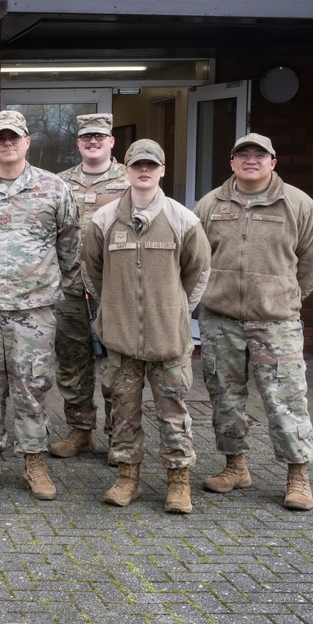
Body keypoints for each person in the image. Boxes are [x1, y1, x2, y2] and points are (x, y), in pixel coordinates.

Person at [194, 133, 313, 511]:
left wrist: (287, 295)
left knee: (285, 400)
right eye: (243, 155)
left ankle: (297, 476)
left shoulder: (298, 204)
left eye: (260, 155)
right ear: (232, 162)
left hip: (275, 323)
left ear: (273, 162)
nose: (251, 160)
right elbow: (193, 256)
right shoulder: (210, 204)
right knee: (225, 397)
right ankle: (235, 467)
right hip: (220, 320)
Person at [0, 110, 79, 501]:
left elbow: (70, 246)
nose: (7, 144)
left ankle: (34, 462)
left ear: (27, 142)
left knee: (32, 388)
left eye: (15, 138)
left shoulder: (53, 189)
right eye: (1, 138)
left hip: (33, 311)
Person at [82, 139, 211, 514]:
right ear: (125, 170)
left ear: (162, 171)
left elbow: (198, 271)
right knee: (123, 411)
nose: (144, 171)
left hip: (168, 337)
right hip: (120, 338)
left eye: (151, 166)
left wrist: (174, 310)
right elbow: (92, 273)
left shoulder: (182, 219)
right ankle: (127, 478)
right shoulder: (103, 219)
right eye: (137, 164)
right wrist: (113, 308)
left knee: (173, 412)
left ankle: (178, 482)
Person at [49, 113, 129, 462]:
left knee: (116, 363)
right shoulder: (59, 182)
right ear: (78, 143)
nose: (93, 142)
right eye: (86, 138)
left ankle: (117, 436)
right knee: (72, 360)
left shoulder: (131, 180)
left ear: (111, 141)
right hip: (69, 285)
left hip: (113, 287)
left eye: (99, 137)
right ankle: (80, 431)